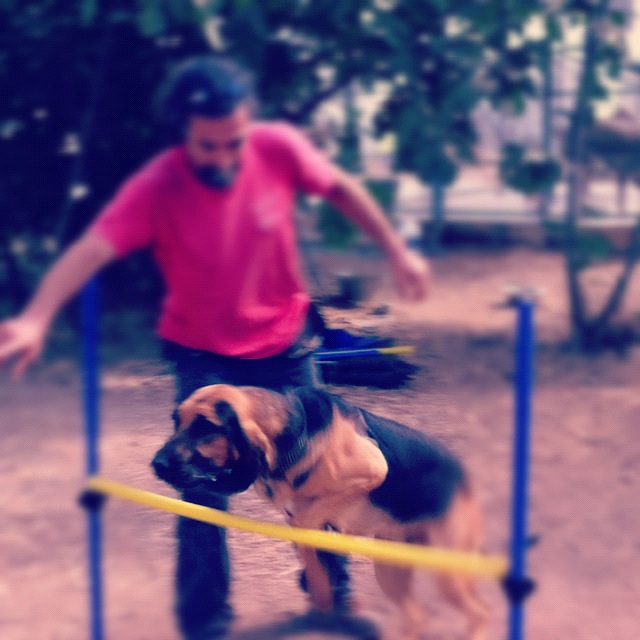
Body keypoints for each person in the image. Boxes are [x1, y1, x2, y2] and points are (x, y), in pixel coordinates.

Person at [0, 56, 430, 639]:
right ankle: (205, 618)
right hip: (204, 355)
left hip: (285, 349)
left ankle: (331, 598)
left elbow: (342, 190)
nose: (225, 158)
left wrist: (396, 250)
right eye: (208, 146)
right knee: (199, 494)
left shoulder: (278, 148)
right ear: (183, 133)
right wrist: (36, 317)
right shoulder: (156, 187)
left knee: (323, 475)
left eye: (235, 142)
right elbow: (91, 249)